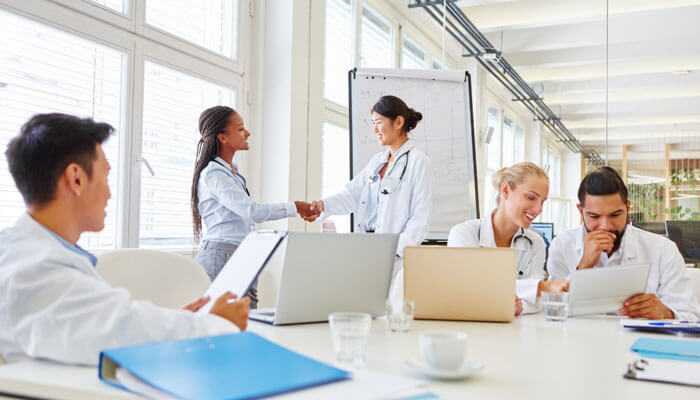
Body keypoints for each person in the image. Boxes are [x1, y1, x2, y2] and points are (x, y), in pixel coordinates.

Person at [0, 113, 250, 366]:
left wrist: (180, 319)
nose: (109, 193)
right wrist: (214, 323)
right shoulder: (35, 269)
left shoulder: (31, 251)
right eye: (106, 175)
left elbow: (98, 319)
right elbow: (116, 328)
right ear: (76, 178)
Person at [192, 106, 319, 306]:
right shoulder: (214, 174)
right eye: (240, 129)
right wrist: (295, 207)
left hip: (241, 252)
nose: (248, 133)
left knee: (247, 317)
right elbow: (251, 211)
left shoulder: (231, 172)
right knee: (225, 325)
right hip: (221, 254)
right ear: (223, 138)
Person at [309, 96, 432, 299]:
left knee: (388, 309)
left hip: (393, 257)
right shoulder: (377, 161)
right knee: (363, 305)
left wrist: (395, 251)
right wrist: (322, 205)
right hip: (366, 249)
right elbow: (352, 195)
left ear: (399, 122)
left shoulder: (419, 161)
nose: (375, 130)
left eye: (378, 123)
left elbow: (420, 216)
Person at [547, 166, 700, 321]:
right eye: (594, 216)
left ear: (628, 208)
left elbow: (690, 315)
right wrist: (584, 265)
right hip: (577, 340)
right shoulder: (562, 245)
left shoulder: (662, 249)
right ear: (581, 211)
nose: (605, 226)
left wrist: (666, 313)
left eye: (615, 215)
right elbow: (551, 310)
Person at [448, 162, 568, 316]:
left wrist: (519, 306)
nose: (538, 209)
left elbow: (536, 301)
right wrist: (539, 287)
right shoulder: (464, 234)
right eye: (531, 197)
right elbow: (470, 288)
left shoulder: (536, 242)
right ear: (505, 190)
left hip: (515, 328)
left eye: (542, 202)